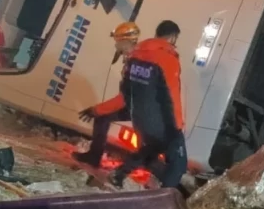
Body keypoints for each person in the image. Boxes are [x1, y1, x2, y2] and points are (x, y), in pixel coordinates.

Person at [109, 20, 188, 188]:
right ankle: (161, 199)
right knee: (179, 165)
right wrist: (177, 126)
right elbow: (172, 96)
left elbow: (126, 88)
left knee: (151, 149)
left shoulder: (136, 54)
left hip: (140, 119)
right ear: (173, 37)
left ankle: (119, 173)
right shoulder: (167, 58)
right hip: (162, 122)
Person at [72, 21, 142, 167]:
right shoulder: (133, 57)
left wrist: (96, 110)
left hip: (139, 107)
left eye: (117, 41)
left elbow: (124, 98)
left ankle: (98, 159)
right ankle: (94, 157)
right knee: (102, 119)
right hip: (136, 104)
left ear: (126, 41)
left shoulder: (135, 61)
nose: (115, 45)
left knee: (102, 117)